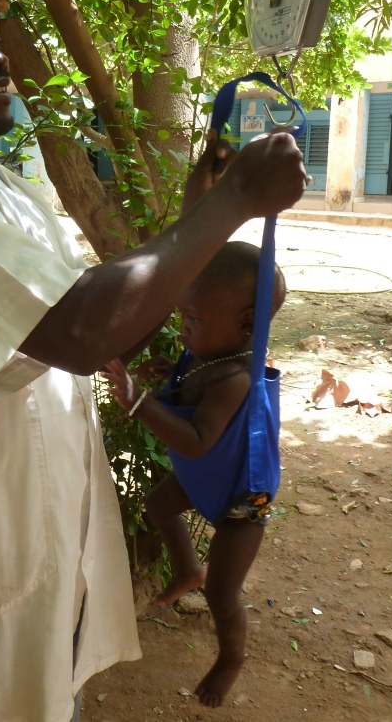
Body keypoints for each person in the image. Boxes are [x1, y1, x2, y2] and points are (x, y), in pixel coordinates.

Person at [0, 0, 306, 722]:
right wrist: (237, 200)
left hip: (31, 573)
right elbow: (79, 331)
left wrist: (202, 206)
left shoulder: (9, 189)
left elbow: (109, 317)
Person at [100, 241, 286, 709]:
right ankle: (187, 568)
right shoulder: (205, 356)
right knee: (158, 506)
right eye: (183, 316)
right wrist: (166, 381)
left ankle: (230, 658)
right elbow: (185, 396)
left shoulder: (235, 378)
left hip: (241, 499)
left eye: (194, 320)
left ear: (246, 322)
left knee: (224, 593)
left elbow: (195, 439)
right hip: (207, 474)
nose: (184, 328)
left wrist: (140, 401)